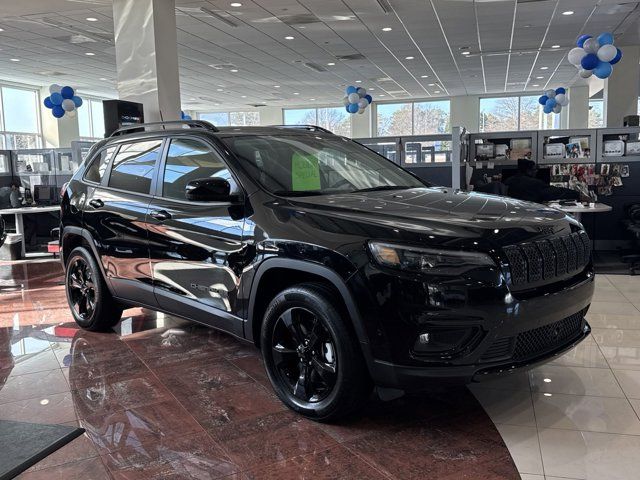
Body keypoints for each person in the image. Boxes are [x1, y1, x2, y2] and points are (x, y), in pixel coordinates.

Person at [504, 159, 588, 203]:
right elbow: (556, 192)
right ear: (528, 170)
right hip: (530, 216)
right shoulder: (534, 183)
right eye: (534, 169)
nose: (536, 171)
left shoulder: (508, 181)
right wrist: (577, 195)